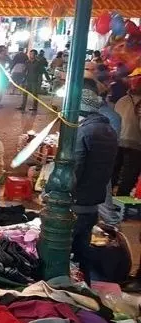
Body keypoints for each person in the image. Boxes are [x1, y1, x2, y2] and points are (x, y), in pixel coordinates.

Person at [71, 86, 118, 285]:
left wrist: (58, 191)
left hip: (78, 201)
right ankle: (85, 284)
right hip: (94, 199)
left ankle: (67, 285)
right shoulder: (108, 129)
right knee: (84, 249)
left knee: (66, 248)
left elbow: (76, 168)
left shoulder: (84, 132)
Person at [113, 70, 141, 197]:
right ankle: (120, 202)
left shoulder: (122, 100)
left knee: (113, 172)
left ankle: (107, 201)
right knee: (129, 175)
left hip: (118, 140)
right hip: (136, 143)